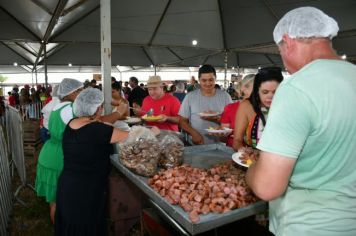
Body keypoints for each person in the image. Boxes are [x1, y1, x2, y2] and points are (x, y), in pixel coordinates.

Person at [246, 7, 356, 236]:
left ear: (288, 41)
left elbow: (268, 186)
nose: (284, 63)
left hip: (308, 226)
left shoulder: (297, 87)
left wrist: (250, 172)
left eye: (280, 52)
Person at [55, 88, 130, 236]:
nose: (102, 109)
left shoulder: (73, 123)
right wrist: (153, 132)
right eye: (101, 106)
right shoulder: (97, 130)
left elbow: (98, 123)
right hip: (86, 192)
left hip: (67, 186)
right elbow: (132, 136)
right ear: (96, 109)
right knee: (86, 228)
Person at [35, 78, 84, 223]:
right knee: (62, 203)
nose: (81, 94)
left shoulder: (57, 106)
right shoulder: (70, 108)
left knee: (55, 201)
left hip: (49, 153)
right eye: (79, 91)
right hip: (60, 158)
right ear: (70, 93)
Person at [179, 64, 232, 145]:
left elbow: (232, 121)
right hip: (196, 144)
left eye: (211, 80)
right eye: (204, 80)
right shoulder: (190, 97)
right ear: (199, 80)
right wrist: (194, 133)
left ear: (215, 79)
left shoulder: (225, 96)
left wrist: (218, 120)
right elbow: (182, 121)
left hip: (220, 144)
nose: (208, 83)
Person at [232, 67, 283, 151]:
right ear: (257, 91)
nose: (270, 96)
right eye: (265, 92)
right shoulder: (246, 106)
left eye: (275, 92)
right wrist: (243, 151)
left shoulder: (287, 107)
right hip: (252, 159)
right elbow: (237, 141)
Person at [219, 74, 255, 147]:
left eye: (247, 86)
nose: (243, 89)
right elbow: (222, 138)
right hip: (232, 152)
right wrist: (222, 134)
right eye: (243, 86)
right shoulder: (230, 108)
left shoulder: (265, 108)